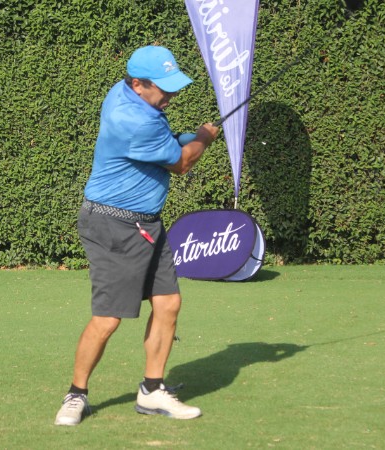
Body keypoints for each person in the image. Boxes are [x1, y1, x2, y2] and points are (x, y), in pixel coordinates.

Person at [54, 45, 221, 426]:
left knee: (168, 303)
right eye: (163, 88)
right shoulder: (134, 120)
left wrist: (184, 136)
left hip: (147, 224)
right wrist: (203, 137)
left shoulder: (124, 93)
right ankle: (76, 394)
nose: (171, 95)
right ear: (138, 85)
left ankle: (152, 390)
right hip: (114, 226)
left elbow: (164, 141)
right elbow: (182, 162)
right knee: (108, 318)